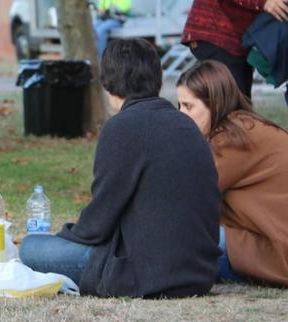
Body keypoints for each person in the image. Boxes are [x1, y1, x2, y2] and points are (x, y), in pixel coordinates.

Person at [20, 38, 221, 298]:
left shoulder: (121, 127)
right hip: (198, 273)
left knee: (30, 248)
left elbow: (98, 223)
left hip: (145, 274)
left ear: (108, 83)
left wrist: (66, 234)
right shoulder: (187, 126)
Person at [176, 60, 288, 286]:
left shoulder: (230, 140)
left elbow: (182, 198)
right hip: (272, 241)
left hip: (276, 252)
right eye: (178, 106)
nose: (180, 115)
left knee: (171, 239)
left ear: (215, 103)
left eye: (188, 107)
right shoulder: (242, 127)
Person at [182, 0, 288, 98]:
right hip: (217, 33)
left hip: (237, 37)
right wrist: (262, 2)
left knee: (240, 103)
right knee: (233, 106)